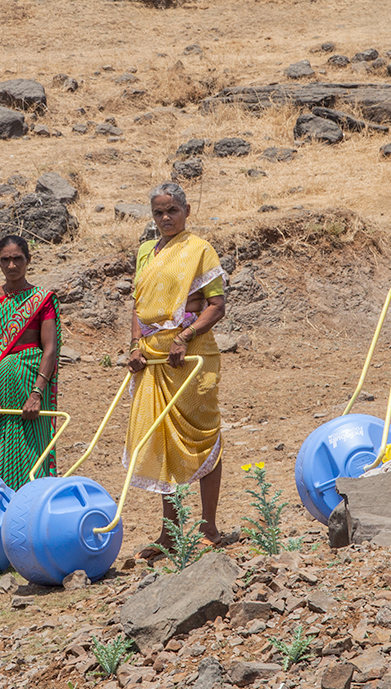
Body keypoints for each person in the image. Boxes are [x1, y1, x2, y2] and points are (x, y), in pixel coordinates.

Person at [126, 182, 227, 560]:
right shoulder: (144, 253)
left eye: (172, 211)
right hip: (153, 357)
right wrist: (134, 347)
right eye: (158, 213)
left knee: (202, 436)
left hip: (191, 357)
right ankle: (170, 532)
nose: (166, 218)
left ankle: (209, 527)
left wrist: (185, 335)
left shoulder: (199, 250)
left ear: (186, 211)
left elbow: (216, 306)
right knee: (161, 439)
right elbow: (138, 307)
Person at [0, 235, 60, 491]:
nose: (12, 265)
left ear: (28, 260)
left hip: (31, 385)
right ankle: (0, 514)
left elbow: (50, 348)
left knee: (32, 446)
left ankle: (32, 511)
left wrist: (37, 393)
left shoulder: (42, 299)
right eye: (5, 259)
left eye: (18, 259)